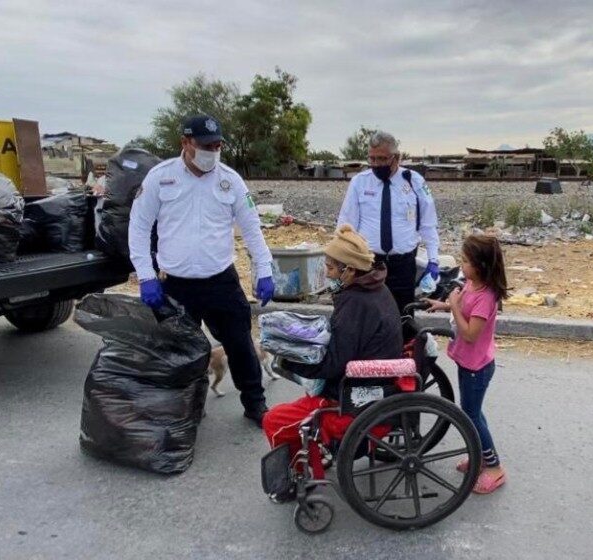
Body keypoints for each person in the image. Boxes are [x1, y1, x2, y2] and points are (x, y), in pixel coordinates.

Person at [128, 114, 275, 427]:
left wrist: (264, 269)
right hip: (177, 285)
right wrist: (146, 275)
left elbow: (252, 229)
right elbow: (139, 227)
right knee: (182, 352)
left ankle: (255, 403)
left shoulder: (231, 180)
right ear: (185, 143)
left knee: (241, 345)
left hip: (221, 280)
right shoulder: (160, 177)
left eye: (218, 144)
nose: (213, 150)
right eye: (206, 145)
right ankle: (186, 408)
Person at [262, 225, 403, 484]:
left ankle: (298, 474)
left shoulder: (355, 303)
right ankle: (310, 459)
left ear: (348, 270)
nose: (326, 273)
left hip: (353, 397)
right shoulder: (375, 289)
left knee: (273, 420)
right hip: (375, 383)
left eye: (329, 267)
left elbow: (335, 364)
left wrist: (290, 362)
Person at [424, 234, 508, 494]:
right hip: (468, 363)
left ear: (481, 265)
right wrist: (442, 305)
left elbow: (470, 334)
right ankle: (479, 454)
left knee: (471, 414)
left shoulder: (487, 296)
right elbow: (462, 307)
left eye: (466, 261)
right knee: (471, 411)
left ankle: (494, 468)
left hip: (477, 367)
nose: (462, 265)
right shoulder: (473, 284)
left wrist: (454, 307)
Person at [337, 130, 440, 314]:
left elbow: (428, 224)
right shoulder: (359, 183)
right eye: (372, 159)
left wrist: (433, 260)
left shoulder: (414, 182)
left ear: (396, 157)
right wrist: (340, 261)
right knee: (368, 316)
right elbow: (346, 224)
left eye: (382, 159)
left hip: (403, 265)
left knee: (403, 316)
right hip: (369, 264)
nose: (376, 164)